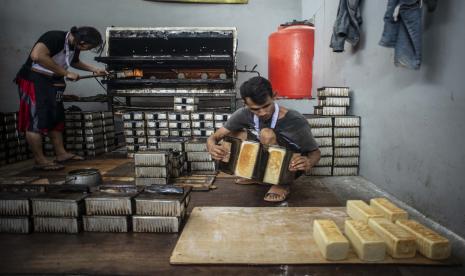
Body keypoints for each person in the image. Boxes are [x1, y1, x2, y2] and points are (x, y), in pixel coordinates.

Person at [207, 76, 321, 202]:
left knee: (267, 134)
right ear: (245, 104)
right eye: (255, 109)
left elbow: (315, 153)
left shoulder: (295, 120)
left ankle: (282, 183)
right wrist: (211, 146)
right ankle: (257, 176)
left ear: (274, 96)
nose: (262, 113)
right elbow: (215, 136)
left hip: (290, 166)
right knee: (233, 134)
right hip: (268, 156)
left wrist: (308, 162)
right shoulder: (243, 113)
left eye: (266, 106)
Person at [14, 26, 107, 170]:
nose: (87, 50)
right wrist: (65, 73)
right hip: (34, 80)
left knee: (56, 117)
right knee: (36, 119)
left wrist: (94, 69)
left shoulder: (74, 45)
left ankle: (61, 154)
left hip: (53, 82)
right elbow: (37, 56)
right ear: (81, 42)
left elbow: (74, 62)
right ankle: (40, 160)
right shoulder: (54, 37)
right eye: (89, 47)